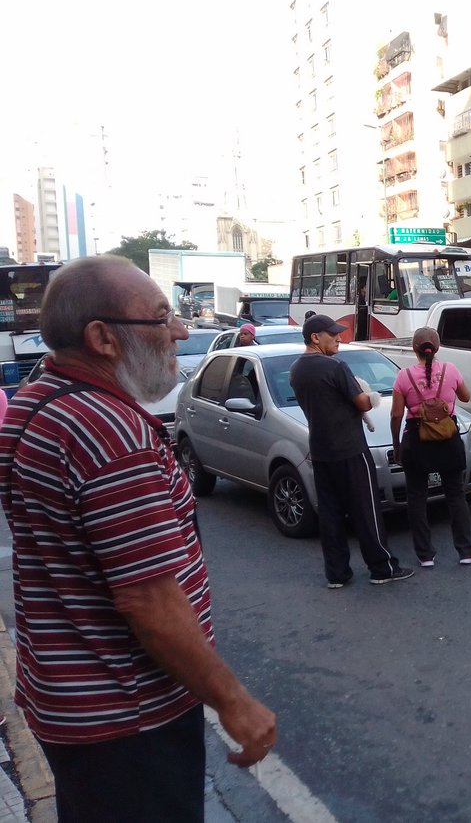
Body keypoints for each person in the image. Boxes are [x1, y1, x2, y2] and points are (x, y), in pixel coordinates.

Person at [0, 257, 275, 821]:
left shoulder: (39, 401)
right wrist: (233, 701)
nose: (179, 331)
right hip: (127, 716)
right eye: (160, 318)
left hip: (73, 704)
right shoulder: (110, 431)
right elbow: (148, 598)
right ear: (102, 337)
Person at [290, 314, 413, 587]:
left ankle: (337, 573)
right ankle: (381, 567)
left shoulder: (297, 369)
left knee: (330, 513)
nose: (338, 338)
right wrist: (369, 395)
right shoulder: (336, 367)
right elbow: (362, 404)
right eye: (332, 334)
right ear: (315, 337)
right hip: (350, 448)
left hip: (321, 450)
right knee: (366, 509)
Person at [391, 327, 471, 567]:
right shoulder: (450, 370)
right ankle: (466, 549)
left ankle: (425, 554)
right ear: (438, 347)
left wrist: (397, 445)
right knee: (455, 494)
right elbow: (465, 397)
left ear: (414, 349)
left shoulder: (403, 376)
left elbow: (396, 415)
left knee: (416, 497)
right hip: (447, 438)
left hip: (416, 440)